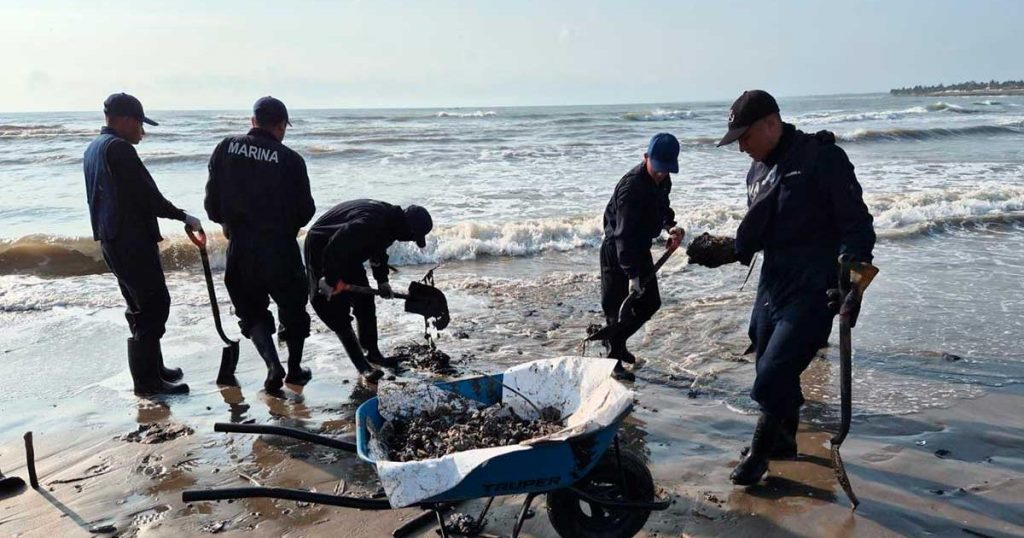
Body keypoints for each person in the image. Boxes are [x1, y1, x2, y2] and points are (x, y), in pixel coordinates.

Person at [712, 90, 875, 485]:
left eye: (745, 137)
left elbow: (858, 225)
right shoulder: (756, 172)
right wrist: (724, 249)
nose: (741, 149)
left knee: (772, 374)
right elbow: (759, 231)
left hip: (815, 287)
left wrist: (852, 284)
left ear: (771, 123)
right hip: (773, 283)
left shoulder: (821, 158)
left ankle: (760, 453)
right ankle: (783, 437)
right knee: (763, 352)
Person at [83, 92, 202, 395]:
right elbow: (146, 196)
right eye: (139, 124)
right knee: (155, 304)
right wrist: (182, 216)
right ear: (124, 120)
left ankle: (153, 369)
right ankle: (147, 382)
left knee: (138, 306)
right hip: (130, 239)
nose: (142, 131)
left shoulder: (94, 148)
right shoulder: (119, 149)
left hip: (111, 238)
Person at [204, 96, 315, 394]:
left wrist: (228, 224)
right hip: (280, 246)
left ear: (253, 121)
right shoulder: (291, 160)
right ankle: (293, 369)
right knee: (292, 308)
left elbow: (212, 205)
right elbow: (306, 210)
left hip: (240, 246)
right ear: (280, 126)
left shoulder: (226, 147)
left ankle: (271, 365)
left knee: (252, 311)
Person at [304, 199, 433, 383]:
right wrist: (330, 279)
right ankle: (363, 366)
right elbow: (336, 245)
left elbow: (377, 249)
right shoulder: (370, 222)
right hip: (322, 246)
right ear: (407, 227)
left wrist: (382, 281)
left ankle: (372, 353)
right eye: (413, 236)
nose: (411, 240)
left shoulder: (391, 223)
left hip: (347, 252)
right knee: (333, 307)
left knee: (364, 302)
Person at [600, 133, 685, 382]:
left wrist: (670, 225)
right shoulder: (631, 188)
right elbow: (623, 235)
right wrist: (632, 274)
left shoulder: (664, 180)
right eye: (658, 168)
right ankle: (612, 359)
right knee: (615, 307)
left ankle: (617, 342)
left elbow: (662, 207)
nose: (661, 174)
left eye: (666, 170)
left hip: (640, 248)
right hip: (617, 251)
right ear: (646, 157)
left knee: (650, 303)